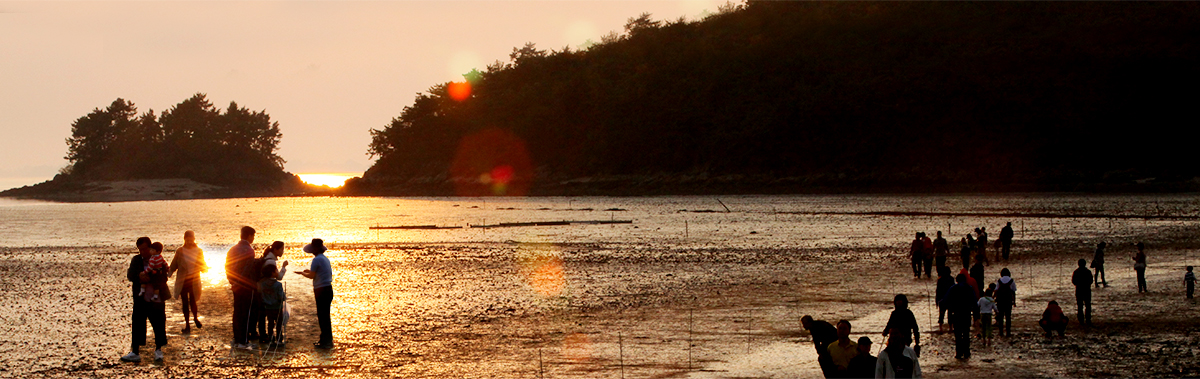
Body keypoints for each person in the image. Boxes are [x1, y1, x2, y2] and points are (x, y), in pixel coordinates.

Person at [120, 237, 169, 363]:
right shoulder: (136, 260)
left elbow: (165, 276)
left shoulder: (158, 259)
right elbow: (130, 275)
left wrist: (151, 278)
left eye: (145, 249)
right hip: (141, 298)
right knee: (137, 324)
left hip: (157, 298)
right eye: (140, 249)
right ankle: (135, 352)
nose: (143, 252)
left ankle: (158, 350)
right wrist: (139, 276)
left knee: (159, 324)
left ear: (150, 247)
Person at [298, 238, 335, 349]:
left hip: (321, 290)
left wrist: (303, 274)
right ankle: (326, 339)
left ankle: (325, 341)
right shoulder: (324, 258)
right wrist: (308, 272)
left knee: (322, 316)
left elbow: (312, 276)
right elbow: (319, 273)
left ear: (315, 249)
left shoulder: (316, 260)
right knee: (325, 315)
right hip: (328, 288)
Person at [169, 230, 207, 334]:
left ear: (194, 239)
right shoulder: (180, 250)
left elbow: (202, 262)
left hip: (194, 280)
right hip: (183, 280)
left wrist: (204, 268)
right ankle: (187, 325)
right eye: (187, 240)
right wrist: (170, 272)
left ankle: (195, 318)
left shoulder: (198, 251)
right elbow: (174, 263)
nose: (189, 242)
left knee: (193, 301)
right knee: (184, 302)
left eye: (191, 240)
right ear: (184, 239)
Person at [226, 226, 258, 348]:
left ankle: (236, 338)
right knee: (246, 313)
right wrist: (239, 282)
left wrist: (231, 281)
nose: (253, 238)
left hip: (235, 284)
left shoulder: (233, 249)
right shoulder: (249, 250)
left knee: (237, 312)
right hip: (245, 285)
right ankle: (243, 341)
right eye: (253, 236)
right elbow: (247, 270)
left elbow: (227, 266)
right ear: (249, 236)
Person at [941, 274, 977, 360]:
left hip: (956, 314)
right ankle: (967, 352)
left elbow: (945, 300)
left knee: (958, 334)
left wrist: (945, 308)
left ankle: (959, 353)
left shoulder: (953, 288)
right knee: (966, 333)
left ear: (957, 280)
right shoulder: (969, 288)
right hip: (967, 313)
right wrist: (975, 314)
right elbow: (974, 302)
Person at [258, 265, 286, 345]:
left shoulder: (262, 284)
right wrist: (284, 298)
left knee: (270, 323)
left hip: (268, 307)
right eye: (276, 270)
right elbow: (281, 297)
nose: (277, 272)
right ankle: (279, 339)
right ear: (272, 273)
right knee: (279, 324)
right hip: (277, 307)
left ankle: (271, 339)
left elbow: (262, 295)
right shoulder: (278, 284)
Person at [994, 268, 1016, 337]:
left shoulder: (999, 281)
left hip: (1000, 301)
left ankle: (1001, 332)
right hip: (1008, 301)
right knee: (1008, 317)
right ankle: (1008, 332)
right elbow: (1013, 291)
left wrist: (993, 298)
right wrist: (1014, 301)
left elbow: (996, 290)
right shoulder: (1011, 281)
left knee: (1001, 316)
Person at [1072, 259, 1092, 326]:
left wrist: (1078, 284)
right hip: (1087, 290)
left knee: (1080, 306)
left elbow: (1074, 281)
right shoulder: (1088, 272)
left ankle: (1081, 320)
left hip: (1079, 290)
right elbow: (1091, 281)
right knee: (1088, 305)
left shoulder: (1076, 272)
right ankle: (1088, 319)